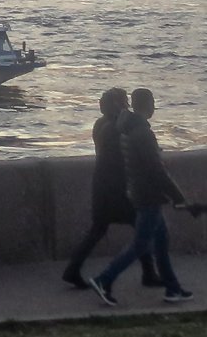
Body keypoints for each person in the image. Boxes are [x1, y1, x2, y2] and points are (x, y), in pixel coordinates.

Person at [89, 88, 193, 306]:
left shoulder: (127, 128)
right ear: (146, 104)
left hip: (138, 192)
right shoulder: (143, 132)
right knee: (140, 245)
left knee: (161, 241)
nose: (155, 106)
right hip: (149, 196)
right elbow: (156, 170)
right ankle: (104, 279)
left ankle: (173, 288)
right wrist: (177, 195)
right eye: (153, 101)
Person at [61, 87, 160, 289]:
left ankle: (73, 269)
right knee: (143, 227)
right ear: (117, 104)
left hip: (101, 185)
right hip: (119, 188)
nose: (127, 105)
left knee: (97, 230)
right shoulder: (118, 127)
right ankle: (149, 273)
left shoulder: (100, 125)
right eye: (124, 101)